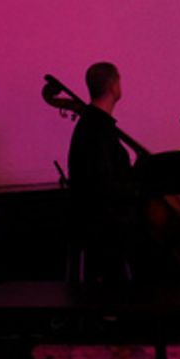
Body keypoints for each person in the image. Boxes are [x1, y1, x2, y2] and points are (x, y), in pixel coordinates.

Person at [66, 61, 139, 282]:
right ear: (113, 86)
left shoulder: (93, 125)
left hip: (102, 222)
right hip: (105, 227)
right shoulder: (97, 129)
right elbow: (103, 183)